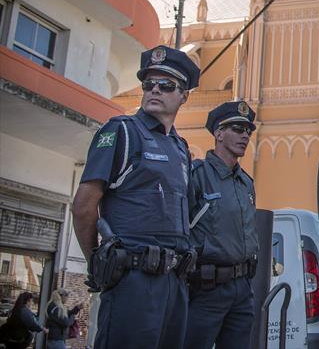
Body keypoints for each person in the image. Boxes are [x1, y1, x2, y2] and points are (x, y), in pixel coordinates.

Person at [71, 45, 200, 349]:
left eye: (166, 85)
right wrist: (96, 264)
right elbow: (83, 207)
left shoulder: (181, 148)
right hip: (134, 281)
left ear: (184, 96)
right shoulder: (121, 131)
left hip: (175, 283)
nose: (155, 90)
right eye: (149, 84)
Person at [184, 101, 260, 348]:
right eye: (238, 129)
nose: (245, 135)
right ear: (218, 133)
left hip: (241, 288)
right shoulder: (196, 176)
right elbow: (179, 230)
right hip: (206, 289)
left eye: (249, 130)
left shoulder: (246, 184)